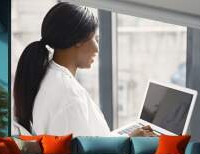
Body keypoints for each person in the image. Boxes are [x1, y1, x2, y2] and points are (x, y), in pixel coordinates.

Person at [14, 2, 156, 137]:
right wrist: (129, 141)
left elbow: (87, 145)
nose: (97, 48)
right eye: (95, 38)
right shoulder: (68, 94)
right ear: (77, 40)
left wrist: (126, 138)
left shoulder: (48, 76)